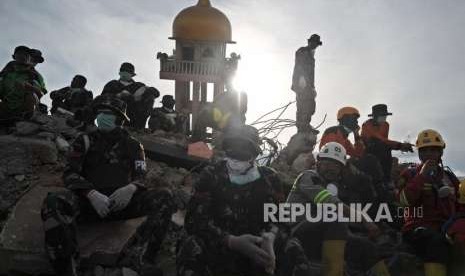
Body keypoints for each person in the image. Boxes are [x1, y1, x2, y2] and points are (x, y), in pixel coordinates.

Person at [40, 95, 176, 275]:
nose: (102, 117)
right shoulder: (84, 140)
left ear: (119, 118)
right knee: (54, 201)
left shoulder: (134, 145)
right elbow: (69, 172)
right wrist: (90, 194)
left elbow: (141, 174)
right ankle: (67, 267)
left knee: (165, 197)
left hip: (123, 204)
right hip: (89, 204)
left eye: (108, 113)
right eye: (100, 113)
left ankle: (138, 261)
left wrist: (131, 188)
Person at [177, 125, 313, 276]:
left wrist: (272, 237)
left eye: (244, 150)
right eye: (233, 149)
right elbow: (193, 221)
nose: (237, 155)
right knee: (191, 243)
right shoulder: (211, 174)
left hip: (258, 254)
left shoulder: (270, 178)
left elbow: (282, 220)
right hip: (220, 249)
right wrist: (231, 241)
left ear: (255, 154)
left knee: (292, 246)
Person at [287, 142, 389, 276]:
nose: (332, 168)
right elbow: (329, 203)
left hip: (322, 231)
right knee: (335, 220)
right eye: (327, 163)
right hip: (295, 232)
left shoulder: (332, 186)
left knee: (366, 246)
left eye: (336, 165)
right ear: (318, 163)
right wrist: (364, 219)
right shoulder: (308, 177)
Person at [398, 129, 459, 276]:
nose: (429, 154)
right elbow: (403, 202)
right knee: (437, 242)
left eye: (433, 150)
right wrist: (421, 176)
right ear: (419, 154)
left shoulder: (450, 178)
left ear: (440, 153)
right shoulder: (410, 174)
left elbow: (460, 204)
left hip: (446, 227)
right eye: (424, 151)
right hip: (417, 229)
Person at [361, 104, 413, 182]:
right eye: (381, 116)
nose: (384, 117)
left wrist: (400, 146)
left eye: (385, 115)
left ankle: (386, 178)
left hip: (381, 149)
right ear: (374, 116)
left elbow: (385, 141)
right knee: (380, 145)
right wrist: (399, 145)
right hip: (367, 150)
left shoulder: (386, 125)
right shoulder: (366, 125)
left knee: (385, 148)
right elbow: (380, 140)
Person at [0, 46, 44, 122]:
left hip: (24, 108)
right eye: (20, 54)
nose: (23, 56)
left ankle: (26, 120)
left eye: (26, 55)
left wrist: (30, 87)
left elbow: (40, 93)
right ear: (14, 57)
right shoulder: (6, 74)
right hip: (7, 106)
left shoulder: (36, 76)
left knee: (31, 95)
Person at [291, 34, 322, 133]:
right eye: (314, 43)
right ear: (309, 42)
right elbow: (300, 66)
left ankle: (305, 125)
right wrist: (302, 80)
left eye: (317, 44)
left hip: (308, 85)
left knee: (310, 106)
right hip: (302, 84)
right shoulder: (303, 51)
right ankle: (303, 126)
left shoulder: (311, 55)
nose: (316, 45)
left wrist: (312, 87)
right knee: (304, 105)